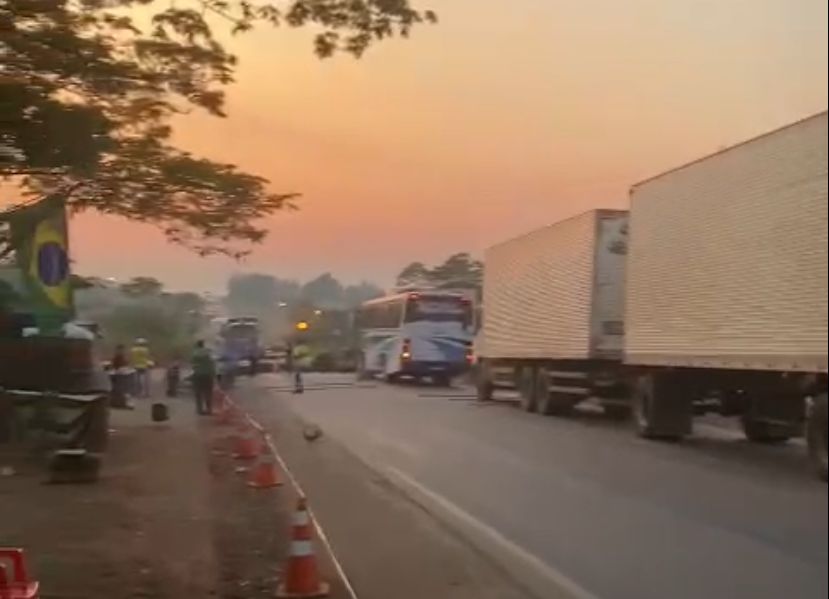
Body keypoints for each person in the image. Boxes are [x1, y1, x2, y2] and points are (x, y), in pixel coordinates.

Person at [191, 340, 216, 415]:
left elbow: (193, 366)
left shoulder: (194, 354)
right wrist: (213, 374)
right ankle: (209, 409)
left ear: (197, 345)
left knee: (198, 393)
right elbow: (212, 365)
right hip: (208, 375)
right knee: (208, 393)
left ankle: (199, 410)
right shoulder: (208, 353)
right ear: (203, 345)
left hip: (198, 375)